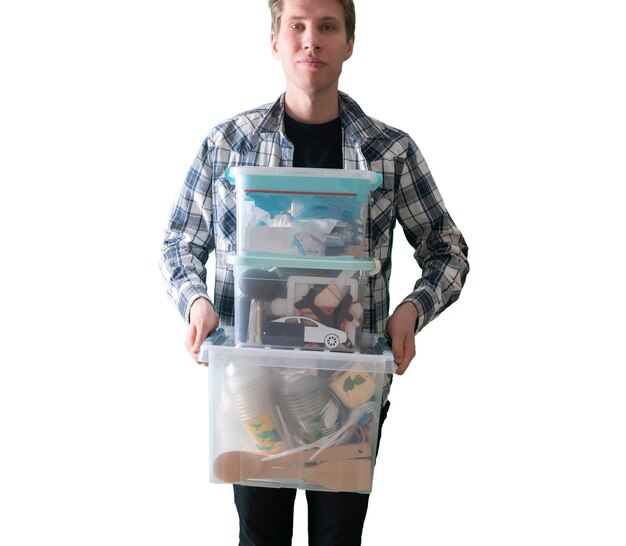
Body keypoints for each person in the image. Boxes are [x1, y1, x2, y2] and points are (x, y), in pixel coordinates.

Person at [160, 0, 469, 543]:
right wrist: (196, 304)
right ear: (274, 40)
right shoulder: (227, 146)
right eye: (296, 26)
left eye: (327, 26)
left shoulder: (389, 153)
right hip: (252, 386)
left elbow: (447, 249)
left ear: (350, 42)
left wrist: (411, 312)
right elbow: (179, 244)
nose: (311, 41)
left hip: (351, 393)